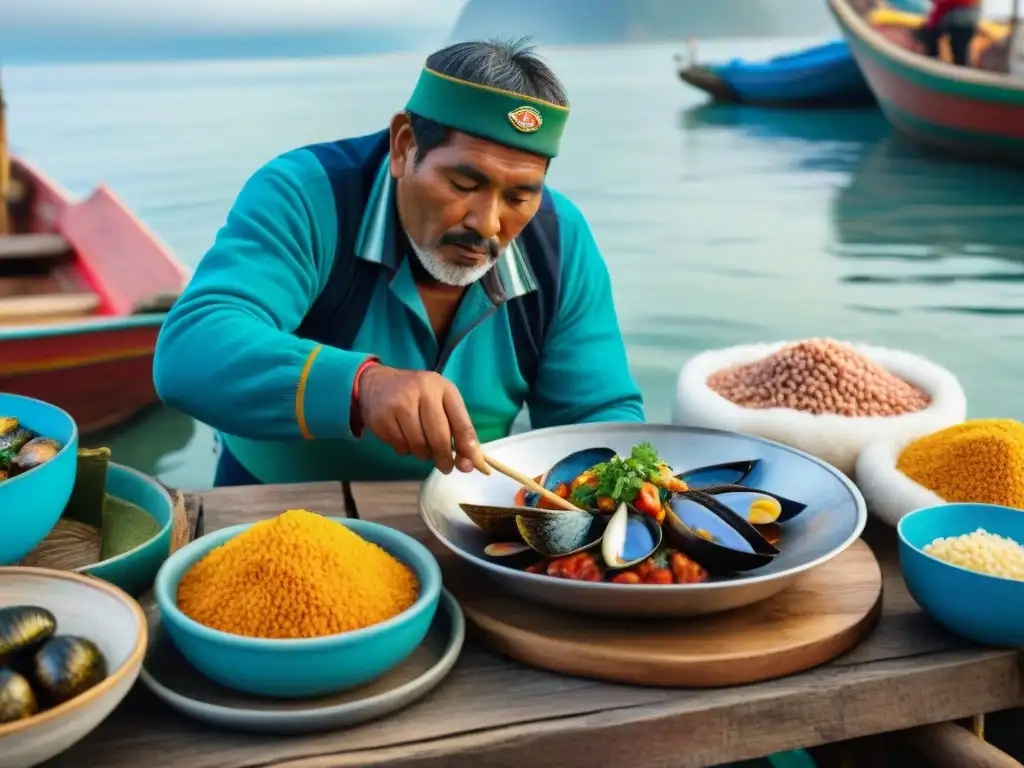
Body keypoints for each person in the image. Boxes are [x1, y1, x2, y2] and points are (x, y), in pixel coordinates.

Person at [152, 37, 646, 487]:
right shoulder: (306, 195)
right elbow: (189, 350)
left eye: (519, 196)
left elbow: (598, 412)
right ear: (404, 146)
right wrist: (362, 385)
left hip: (466, 515)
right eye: (463, 185)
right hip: (274, 504)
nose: (487, 223)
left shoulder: (559, 240)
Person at [916, 0, 980, 67]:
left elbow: (944, 5)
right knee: (960, 53)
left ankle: (933, 63)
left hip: (960, 21)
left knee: (959, 52)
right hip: (963, 21)